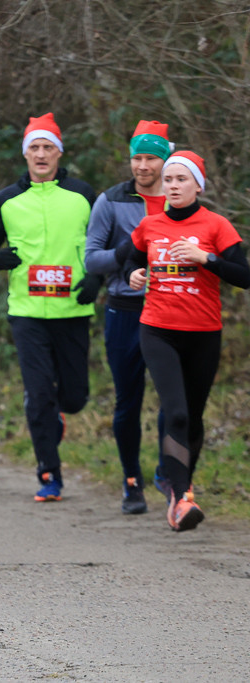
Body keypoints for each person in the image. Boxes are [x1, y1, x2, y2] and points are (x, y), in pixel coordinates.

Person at [121, 151, 250, 531]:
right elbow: (130, 260)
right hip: (158, 329)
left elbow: (244, 276)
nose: (173, 186)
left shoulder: (217, 225)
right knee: (174, 412)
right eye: (169, 180)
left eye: (181, 180)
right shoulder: (151, 225)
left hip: (204, 333)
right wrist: (134, 275)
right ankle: (180, 498)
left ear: (197, 185)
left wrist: (205, 258)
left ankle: (180, 483)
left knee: (193, 417)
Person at [0, 113, 98, 503]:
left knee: (75, 398)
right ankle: (50, 473)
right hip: (26, 312)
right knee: (39, 394)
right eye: (34, 148)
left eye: (48, 147)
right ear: (25, 154)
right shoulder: (7, 200)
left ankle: (54, 415)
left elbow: (106, 242)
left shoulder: (83, 195)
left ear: (59, 153)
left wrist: (96, 279)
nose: (41, 154)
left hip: (73, 311)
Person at [84, 120, 173, 515]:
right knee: (128, 401)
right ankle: (131, 480)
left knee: (174, 401)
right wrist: (126, 257)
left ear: (165, 160)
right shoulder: (111, 200)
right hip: (126, 309)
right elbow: (91, 259)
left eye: (150, 157)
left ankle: (168, 473)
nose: (141, 166)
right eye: (136, 157)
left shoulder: (179, 200)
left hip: (172, 311)